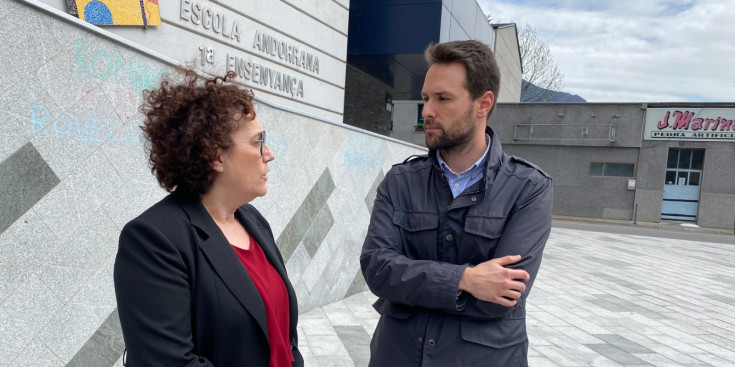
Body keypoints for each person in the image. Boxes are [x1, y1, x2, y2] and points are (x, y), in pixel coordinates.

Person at [360, 40, 553, 366]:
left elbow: (502, 296)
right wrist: (465, 280)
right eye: (425, 98)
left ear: (483, 104)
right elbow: (378, 270)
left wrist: (412, 282)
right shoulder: (400, 181)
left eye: (443, 98)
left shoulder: (528, 188)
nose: (427, 111)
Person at [114, 68, 303, 367]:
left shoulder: (253, 221)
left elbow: (283, 338)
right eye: (257, 142)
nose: (269, 154)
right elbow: (169, 362)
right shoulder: (155, 239)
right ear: (215, 156)